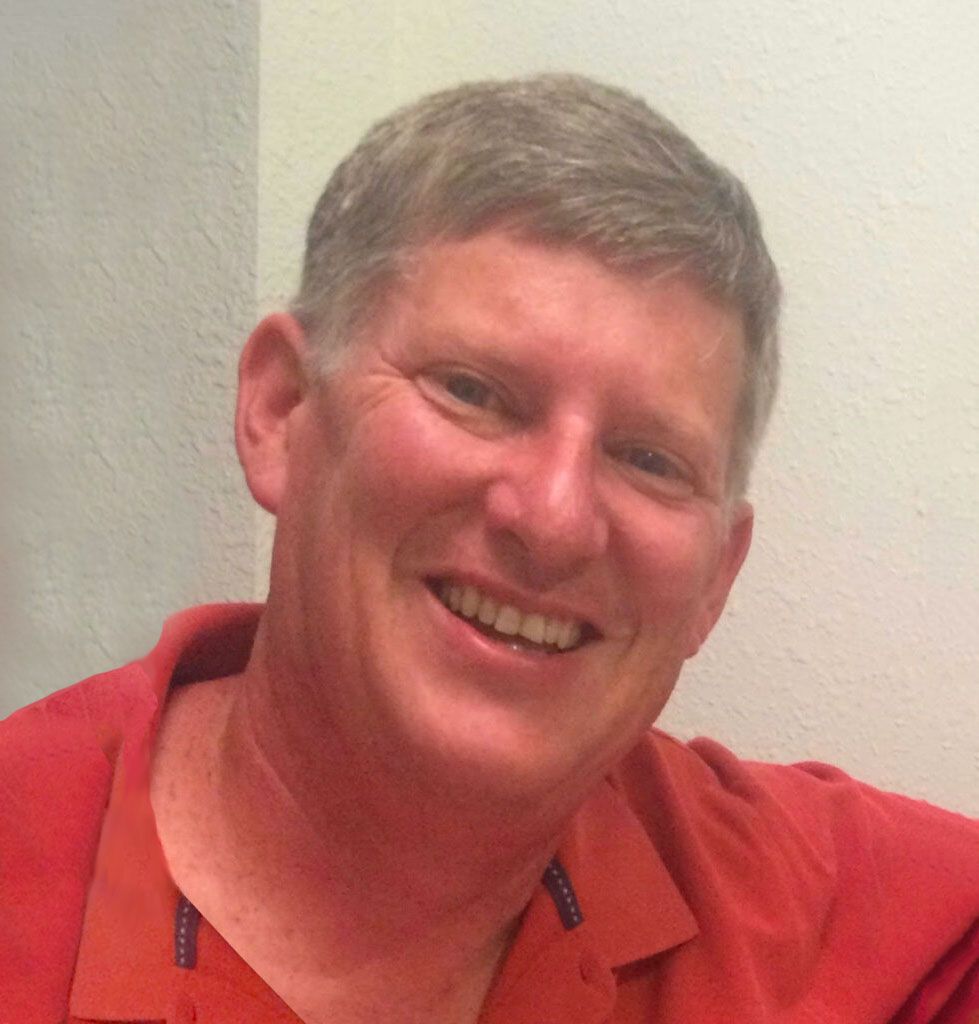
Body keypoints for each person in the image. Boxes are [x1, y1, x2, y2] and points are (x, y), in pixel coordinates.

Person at [2, 73, 977, 1024]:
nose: (552, 519)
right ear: (281, 410)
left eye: (647, 458)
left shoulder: (830, 920)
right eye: (472, 391)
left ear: (717, 577)